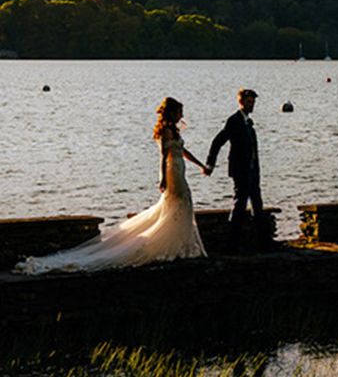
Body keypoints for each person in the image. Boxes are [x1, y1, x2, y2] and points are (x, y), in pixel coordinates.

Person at [15, 97, 207, 275]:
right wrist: (163, 178)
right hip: (172, 171)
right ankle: (173, 246)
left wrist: (200, 165)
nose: (182, 115)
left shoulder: (174, 130)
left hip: (180, 168)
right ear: (172, 112)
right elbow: (164, 155)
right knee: (179, 203)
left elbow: (182, 151)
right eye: (179, 111)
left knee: (183, 205)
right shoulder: (165, 130)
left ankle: (181, 245)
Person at [204, 88, 265, 252]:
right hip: (240, 171)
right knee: (240, 205)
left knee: (258, 206)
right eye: (249, 101)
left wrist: (257, 171)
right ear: (242, 102)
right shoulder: (234, 121)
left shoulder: (249, 122)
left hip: (253, 172)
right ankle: (232, 243)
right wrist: (210, 163)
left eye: (253, 102)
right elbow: (218, 141)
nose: (252, 105)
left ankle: (263, 242)